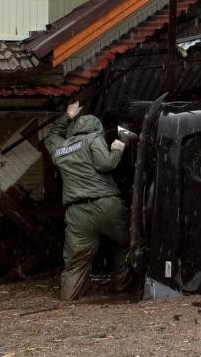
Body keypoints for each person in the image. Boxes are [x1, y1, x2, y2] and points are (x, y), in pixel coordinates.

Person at [44, 100, 133, 300]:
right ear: (97, 128)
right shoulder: (93, 138)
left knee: (76, 261)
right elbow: (105, 164)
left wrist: (67, 115)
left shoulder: (61, 148)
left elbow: (50, 137)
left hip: (78, 212)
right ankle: (121, 288)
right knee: (125, 245)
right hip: (107, 205)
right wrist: (117, 149)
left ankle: (70, 296)